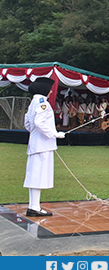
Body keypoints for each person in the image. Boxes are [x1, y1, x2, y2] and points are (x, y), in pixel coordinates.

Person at [23, 77, 66, 217]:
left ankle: (33, 206)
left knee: (34, 176)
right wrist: (55, 134)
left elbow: (28, 124)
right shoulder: (43, 104)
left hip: (35, 144)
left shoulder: (33, 103)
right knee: (38, 176)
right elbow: (39, 122)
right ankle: (34, 207)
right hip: (43, 145)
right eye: (50, 88)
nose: (51, 91)